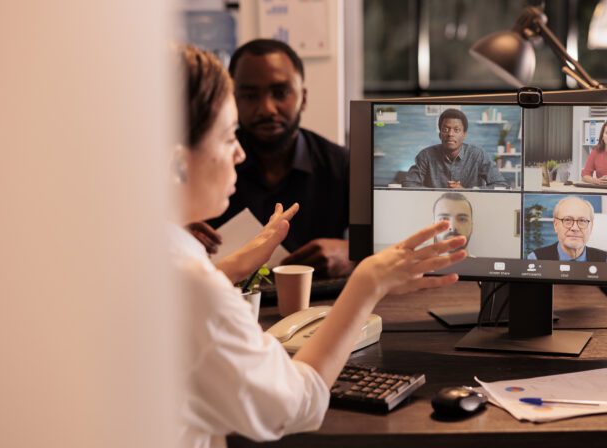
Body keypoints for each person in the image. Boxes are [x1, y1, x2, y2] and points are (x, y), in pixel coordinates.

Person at [173, 46, 467, 447]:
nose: (238, 151)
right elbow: (294, 404)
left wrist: (230, 268)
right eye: (228, 137)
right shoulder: (191, 282)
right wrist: (367, 283)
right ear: (177, 163)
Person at [190, 38, 353, 280]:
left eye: (280, 92)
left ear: (303, 97)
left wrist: (352, 255)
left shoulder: (344, 165)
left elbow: (395, 246)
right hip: (229, 304)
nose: (267, 108)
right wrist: (178, 235)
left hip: (319, 308)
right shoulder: (205, 163)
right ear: (232, 100)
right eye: (250, 95)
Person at [402, 108, 507, 189]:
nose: (450, 134)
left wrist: (468, 191)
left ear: (464, 134)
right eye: (445, 129)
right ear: (440, 134)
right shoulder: (426, 156)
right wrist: (438, 192)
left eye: (456, 130)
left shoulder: (478, 155)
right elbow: (409, 184)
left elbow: (501, 185)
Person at [527, 196, 607, 262]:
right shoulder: (535, 259)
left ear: (591, 227)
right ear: (556, 225)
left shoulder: (605, 260)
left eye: (582, 220)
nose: (575, 228)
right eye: (567, 220)